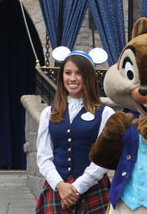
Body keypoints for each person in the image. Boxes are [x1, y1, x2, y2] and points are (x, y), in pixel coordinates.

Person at [35, 48, 113, 214]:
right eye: (67, 73)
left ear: (89, 77)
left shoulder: (105, 114)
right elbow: (44, 157)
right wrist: (60, 186)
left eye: (79, 73)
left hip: (92, 189)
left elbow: (104, 158)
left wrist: (77, 187)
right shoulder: (48, 113)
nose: (72, 78)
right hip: (57, 189)